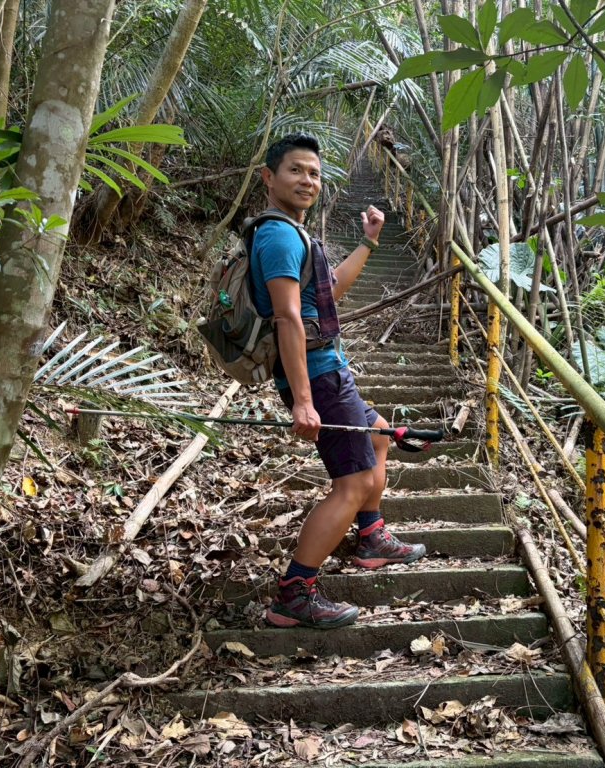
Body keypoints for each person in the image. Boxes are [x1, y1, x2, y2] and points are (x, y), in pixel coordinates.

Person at [250, 133, 427, 629]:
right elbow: (287, 319)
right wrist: (303, 402)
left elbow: (330, 293)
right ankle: (294, 593)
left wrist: (369, 240)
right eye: (296, 170)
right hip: (318, 376)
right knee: (353, 482)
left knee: (377, 434)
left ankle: (371, 537)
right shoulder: (279, 236)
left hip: (330, 369)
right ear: (269, 177)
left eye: (314, 173)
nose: (308, 180)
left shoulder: (295, 234)